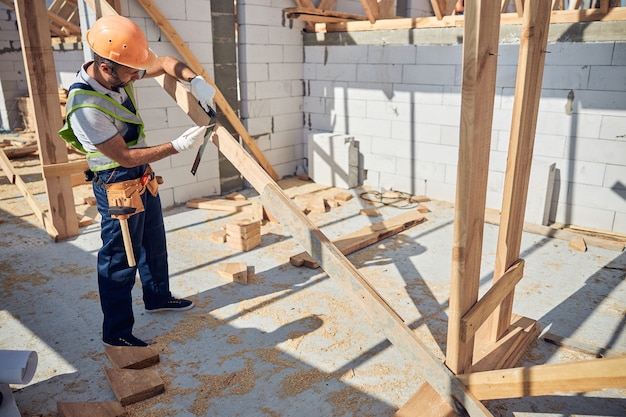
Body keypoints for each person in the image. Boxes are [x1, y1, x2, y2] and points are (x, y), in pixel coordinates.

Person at [59, 15, 216, 347]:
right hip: (117, 179)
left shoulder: (119, 71)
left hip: (140, 176)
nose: (136, 76)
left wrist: (194, 79)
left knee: (154, 240)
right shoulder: (85, 105)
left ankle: (158, 297)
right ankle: (116, 331)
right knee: (120, 256)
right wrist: (176, 146)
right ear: (106, 67)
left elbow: (166, 63)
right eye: (130, 72)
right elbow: (125, 157)